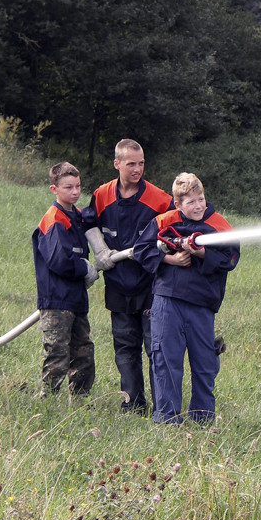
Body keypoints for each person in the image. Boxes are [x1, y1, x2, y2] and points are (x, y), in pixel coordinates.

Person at [132, 173, 240, 425]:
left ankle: (203, 418)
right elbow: (141, 251)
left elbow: (231, 259)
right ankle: (167, 418)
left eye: (201, 199)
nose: (198, 206)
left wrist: (202, 253)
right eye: (190, 202)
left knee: (204, 363)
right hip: (166, 302)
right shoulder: (163, 221)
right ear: (177, 204)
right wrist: (170, 259)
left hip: (202, 305)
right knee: (166, 361)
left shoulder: (219, 224)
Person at [82, 139, 173, 415]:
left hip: (150, 286)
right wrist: (100, 250)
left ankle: (163, 406)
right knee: (124, 348)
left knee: (154, 348)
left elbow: (175, 229)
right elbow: (88, 222)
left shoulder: (159, 199)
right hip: (117, 286)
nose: (137, 169)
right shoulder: (102, 195)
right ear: (117, 164)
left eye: (141, 163)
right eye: (131, 163)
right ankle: (132, 404)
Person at [32, 162, 100, 399]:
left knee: (83, 351)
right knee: (57, 353)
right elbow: (58, 260)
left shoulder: (78, 217)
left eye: (78, 186)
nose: (75, 192)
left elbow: (94, 223)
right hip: (56, 300)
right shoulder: (53, 220)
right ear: (54, 189)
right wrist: (84, 268)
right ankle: (47, 400)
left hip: (77, 298)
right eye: (68, 187)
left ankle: (80, 400)